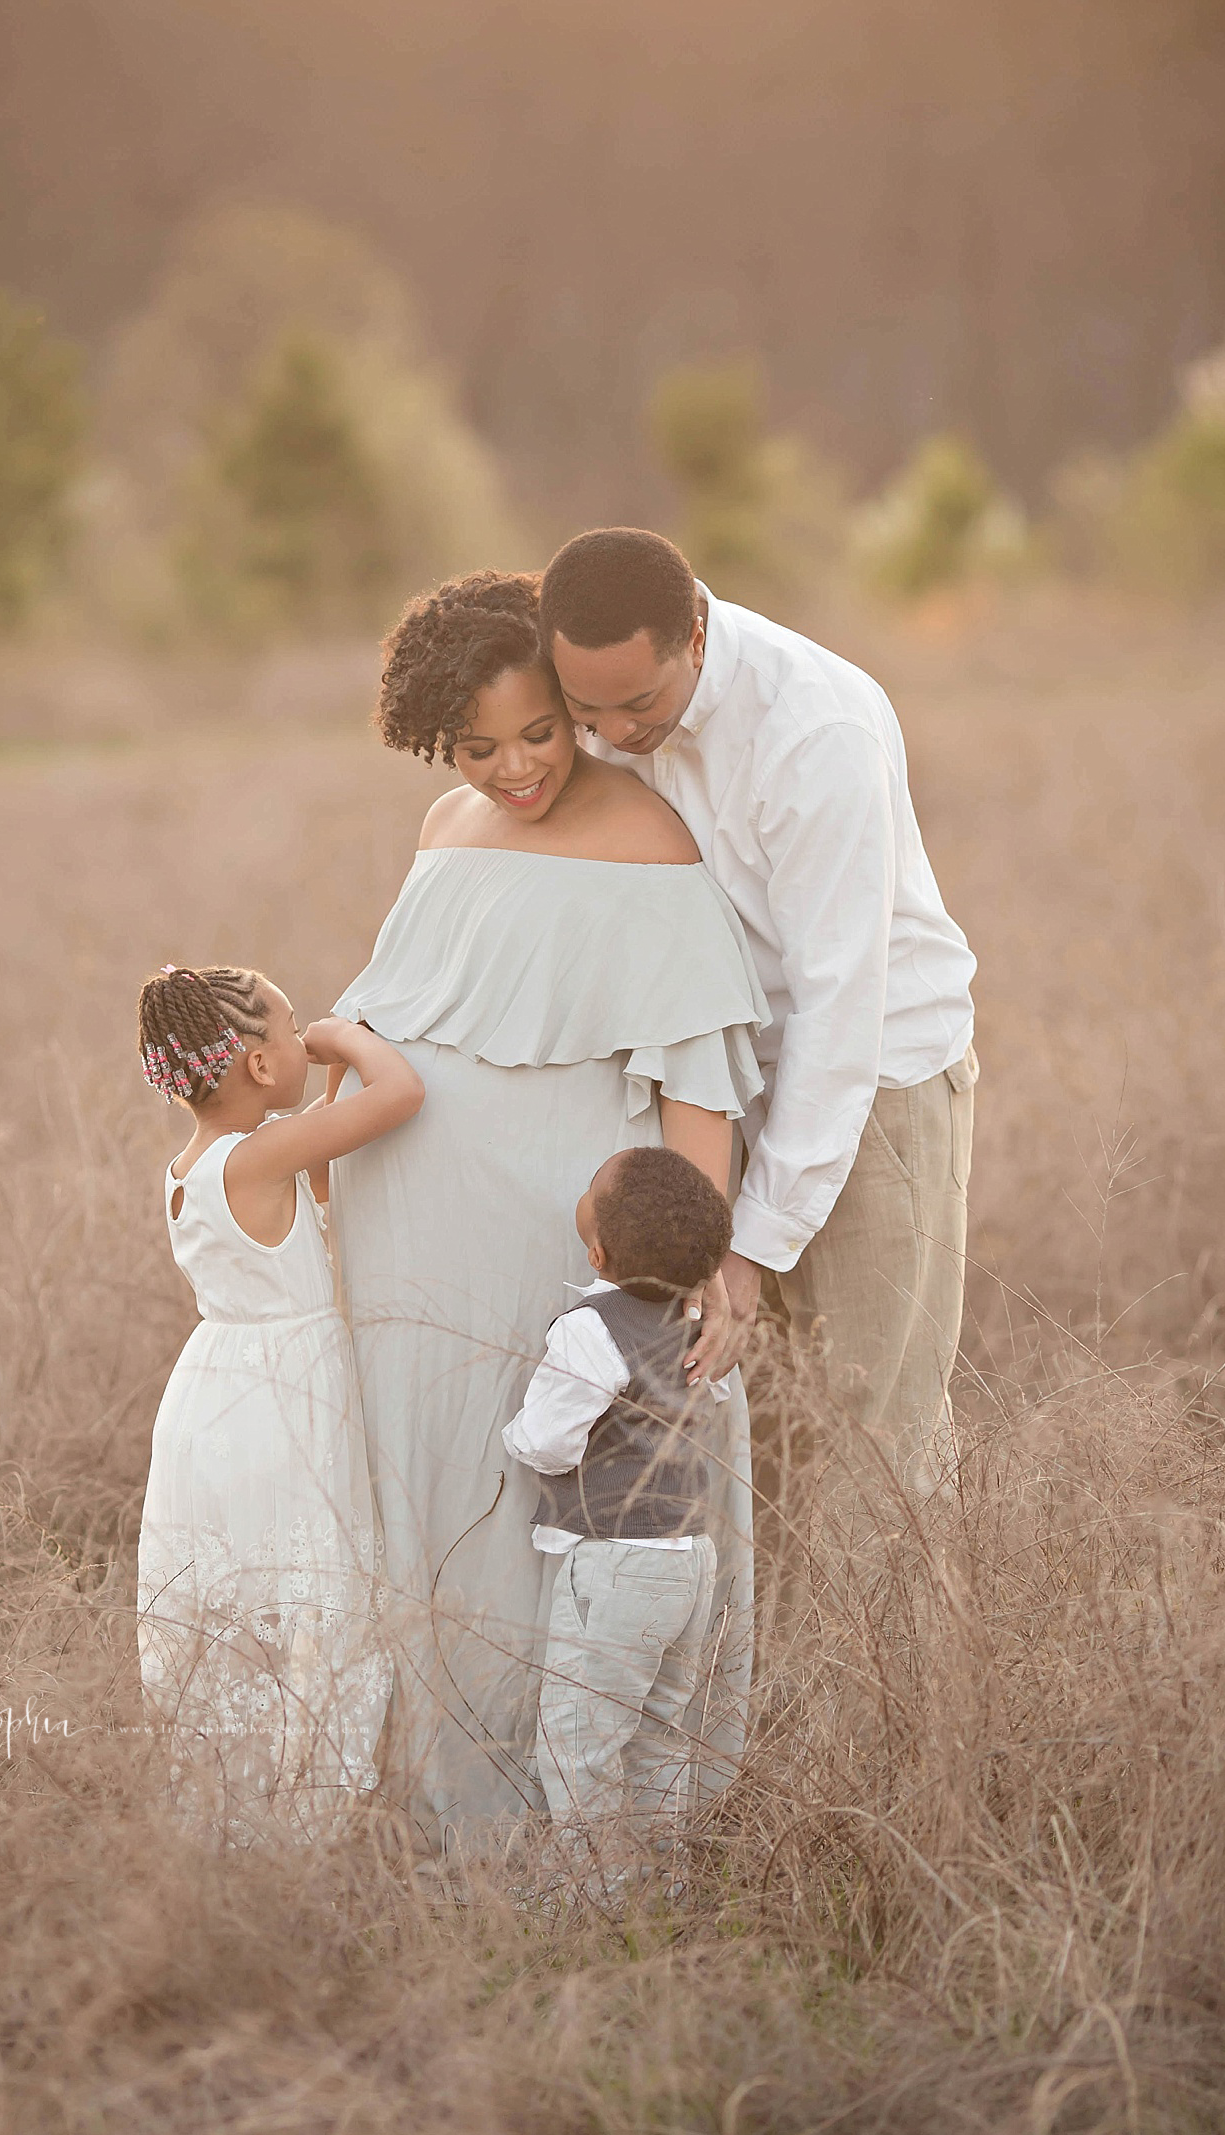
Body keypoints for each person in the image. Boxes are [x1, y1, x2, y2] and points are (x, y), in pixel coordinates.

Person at [325, 570, 769, 1853]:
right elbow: (400, 1016)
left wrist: (700, 1272)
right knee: (448, 1493)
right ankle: (457, 1805)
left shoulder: (649, 839)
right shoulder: (445, 829)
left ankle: (594, 1828)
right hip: (418, 1246)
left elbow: (697, 1092)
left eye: (541, 731)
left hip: (567, 1249)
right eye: (480, 746)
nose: (517, 767)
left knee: (567, 1496)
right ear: (435, 742)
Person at [539, 528, 978, 1507]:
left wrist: (747, 1250)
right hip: (719, 1080)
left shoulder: (816, 730)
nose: (609, 731)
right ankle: (765, 1661)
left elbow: (837, 1010)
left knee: (878, 1430)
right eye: (584, 708)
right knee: (749, 1425)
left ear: (696, 634)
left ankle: (902, 1663)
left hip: (875, 1085)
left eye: (638, 704)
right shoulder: (602, 712)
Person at [135, 962, 423, 1840]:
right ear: (260, 1067)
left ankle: (229, 1796)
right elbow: (400, 1096)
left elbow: (332, 1182)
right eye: (293, 1031)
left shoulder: (191, 1166)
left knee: (239, 1594)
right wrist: (349, 1041)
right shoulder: (260, 1154)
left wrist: (320, 1069)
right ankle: (308, 1811)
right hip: (288, 1389)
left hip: (215, 1393)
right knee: (313, 1586)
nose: (306, 1041)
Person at [501, 1147, 734, 1875]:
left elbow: (545, 1442)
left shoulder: (591, 1329)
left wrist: (514, 1435)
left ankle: (588, 1893)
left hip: (618, 1563)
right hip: (690, 1558)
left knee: (579, 1739)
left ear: (596, 1250)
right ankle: (662, 1879)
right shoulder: (694, 1325)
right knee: (660, 1733)